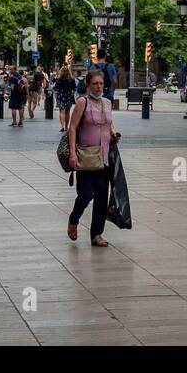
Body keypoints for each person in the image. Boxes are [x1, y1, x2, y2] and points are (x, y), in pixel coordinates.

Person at [67, 69, 120, 247]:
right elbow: (72, 128)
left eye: (101, 84)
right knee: (85, 195)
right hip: (86, 156)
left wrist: (113, 134)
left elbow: (109, 123)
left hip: (103, 157)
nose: (98, 87)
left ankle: (96, 234)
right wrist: (73, 153)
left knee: (101, 198)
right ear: (88, 85)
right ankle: (74, 219)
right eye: (95, 83)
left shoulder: (107, 102)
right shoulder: (82, 102)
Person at [54, 65, 77, 132]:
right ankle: (66, 127)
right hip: (69, 97)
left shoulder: (59, 79)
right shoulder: (71, 80)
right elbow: (74, 88)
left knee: (62, 111)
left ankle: (63, 126)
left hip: (61, 97)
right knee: (67, 112)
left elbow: (56, 88)